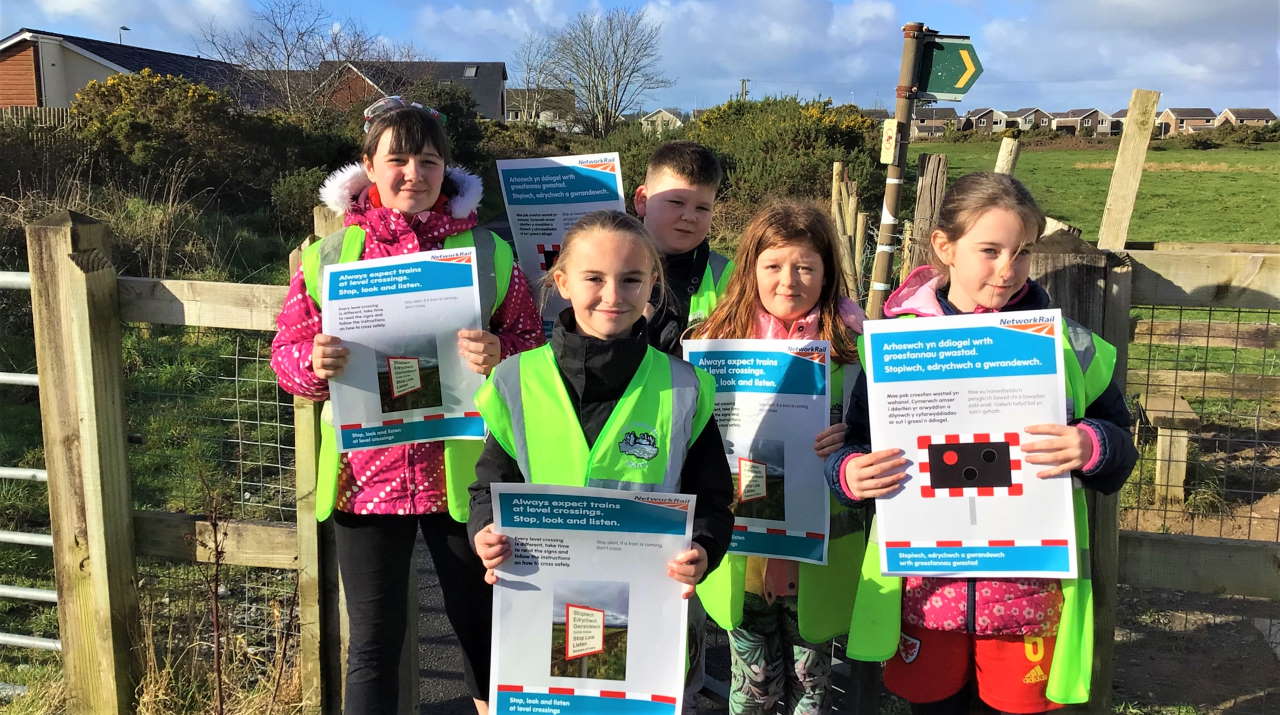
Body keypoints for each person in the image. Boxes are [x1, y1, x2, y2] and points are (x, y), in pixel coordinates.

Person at [825, 172, 1138, 714]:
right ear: (944, 247)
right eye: (989, 250)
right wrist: (848, 473)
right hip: (924, 592)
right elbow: (856, 442)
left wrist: (1092, 446)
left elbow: (1119, 446)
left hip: (1026, 592)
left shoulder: (1072, 347)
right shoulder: (895, 345)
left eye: (1021, 253)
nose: (1007, 268)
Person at [270, 96, 543, 715]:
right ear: (369, 165)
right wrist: (313, 367)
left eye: (428, 160)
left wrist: (501, 352)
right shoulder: (330, 256)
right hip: (363, 478)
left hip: (466, 477)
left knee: (485, 630)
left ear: (447, 170)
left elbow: (533, 349)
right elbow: (284, 354)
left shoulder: (490, 254)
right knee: (371, 645)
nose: (413, 174)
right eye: (397, 159)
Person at [466, 209, 735, 699]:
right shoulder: (515, 380)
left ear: (653, 283)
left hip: (652, 614)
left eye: (631, 279)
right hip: (540, 608)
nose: (613, 295)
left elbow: (714, 499)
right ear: (562, 281)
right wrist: (484, 533)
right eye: (594, 278)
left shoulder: (685, 386)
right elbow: (488, 488)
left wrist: (703, 549)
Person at [690, 201, 867, 714]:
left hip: (820, 551)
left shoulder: (855, 351)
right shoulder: (713, 346)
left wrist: (852, 441)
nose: (789, 280)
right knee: (752, 687)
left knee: (811, 688)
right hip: (741, 551)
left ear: (827, 273)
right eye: (773, 265)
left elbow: (879, 440)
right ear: (750, 270)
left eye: (805, 266)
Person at [634, 141, 735, 355]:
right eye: (676, 203)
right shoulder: (606, 266)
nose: (689, 216)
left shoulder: (729, 275)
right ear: (642, 200)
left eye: (702, 207)